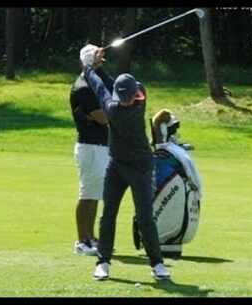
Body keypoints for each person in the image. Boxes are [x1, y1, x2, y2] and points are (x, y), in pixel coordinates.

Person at [80, 47, 171, 281]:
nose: (127, 101)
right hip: (117, 166)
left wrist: (90, 66)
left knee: (145, 216)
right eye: (123, 97)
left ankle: (157, 264)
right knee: (108, 214)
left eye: (127, 97)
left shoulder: (114, 108)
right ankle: (103, 263)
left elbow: (101, 87)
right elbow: (110, 85)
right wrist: (99, 68)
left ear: (135, 96)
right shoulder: (138, 94)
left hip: (140, 165)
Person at [69, 44, 114, 256]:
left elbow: (112, 88)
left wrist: (100, 70)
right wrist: (114, 110)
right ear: (88, 62)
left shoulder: (94, 82)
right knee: (87, 193)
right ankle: (81, 240)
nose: (101, 63)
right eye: (98, 61)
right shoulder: (83, 87)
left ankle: (91, 237)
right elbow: (104, 117)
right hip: (89, 147)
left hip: (100, 146)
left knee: (95, 194)